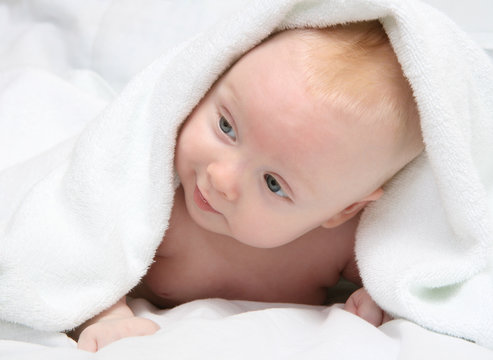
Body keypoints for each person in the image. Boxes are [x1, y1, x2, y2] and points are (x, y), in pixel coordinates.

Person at [72, 20, 423, 352]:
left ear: (342, 209)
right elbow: (79, 251)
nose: (221, 179)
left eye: (273, 183)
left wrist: (380, 299)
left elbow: (408, 275)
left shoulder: (341, 244)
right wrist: (108, 315)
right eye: (226, 127)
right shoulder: (159, 205)